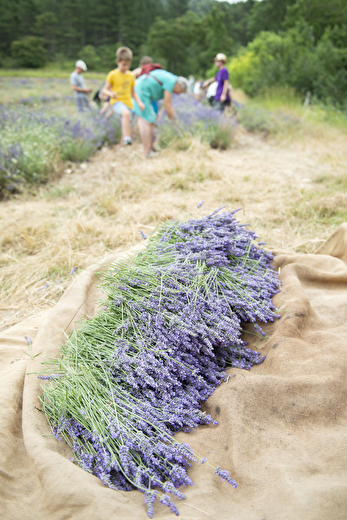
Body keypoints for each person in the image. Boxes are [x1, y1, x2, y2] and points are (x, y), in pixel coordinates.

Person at [132, 71, 188, 157]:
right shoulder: (171, 81)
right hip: (141, 91)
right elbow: (167, 104)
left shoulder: (171, 79)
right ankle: (147, 152)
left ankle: (150, 148)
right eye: (180, 91)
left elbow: (169, 105)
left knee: (150, 119)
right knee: (148, 120)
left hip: (142, 90)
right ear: (179, 85)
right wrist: (174, 122)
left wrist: (175, 119)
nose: (177, 94)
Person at [102, 47, 144, 146]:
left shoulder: (130, 76)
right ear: (118, 62)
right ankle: (127, 138)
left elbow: (133, 92)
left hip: (128, 103)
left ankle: (123, 146)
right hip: (116, 102)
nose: (126, 67)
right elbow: (104, 90)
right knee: (125, 114)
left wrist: (139, 102)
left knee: (126, 124)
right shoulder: (112, 74)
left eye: (128, 65)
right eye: (123, 64)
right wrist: (111, 94)